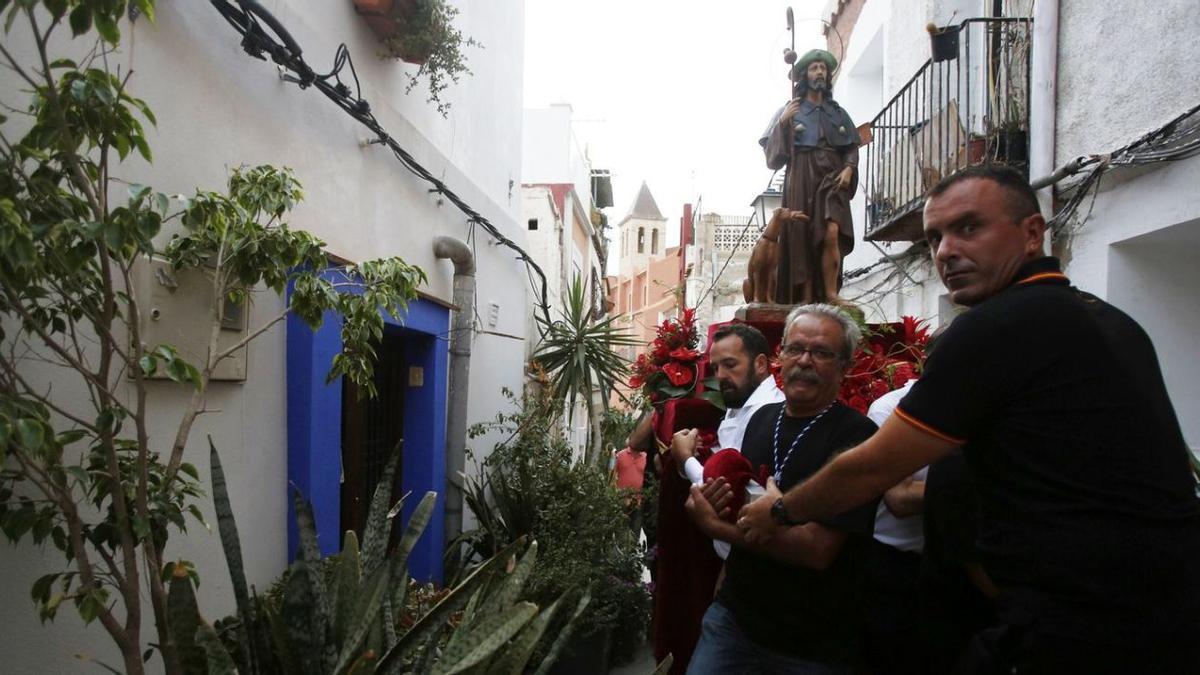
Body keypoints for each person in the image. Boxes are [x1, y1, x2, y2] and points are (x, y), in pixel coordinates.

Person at [738, 165, 1200, 673]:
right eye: (935, 235)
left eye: (969, 227)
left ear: (1031, 233)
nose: (945, 251)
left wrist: (779, 512)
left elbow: (874, 469)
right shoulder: (1115, 322)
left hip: (1082, 625)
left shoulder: (995, 328)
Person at [680, 304, 879, 674]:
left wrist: (714, 528)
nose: (804, 360)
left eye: (821, 352)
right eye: (795, 348)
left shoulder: (857, 437)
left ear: (845, 367)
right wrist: (720, 599)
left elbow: (818, 550)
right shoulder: (760, 420)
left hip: (808, 642)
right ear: (779, 356)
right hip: (733, 622)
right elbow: (741, 507)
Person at [671, 323, 785, 559]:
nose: (721, 375)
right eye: (715, 367)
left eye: (730, 365)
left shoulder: (768, 412)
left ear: (761, 364)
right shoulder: (742, 400)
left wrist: (685, 459)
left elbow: (728, 488)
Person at [759, 48, 860, 304]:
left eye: (823, 68)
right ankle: (803, 297)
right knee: (801, 237)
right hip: (801, 178)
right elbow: (773, 158)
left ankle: (830, 293)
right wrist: (782, 124)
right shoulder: (790, 109)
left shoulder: (838, 113)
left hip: (833, 177)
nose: (819, 73)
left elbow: (851, 147)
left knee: (832, 231)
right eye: (814, 68)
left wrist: (849, 168)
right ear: (804, 74)